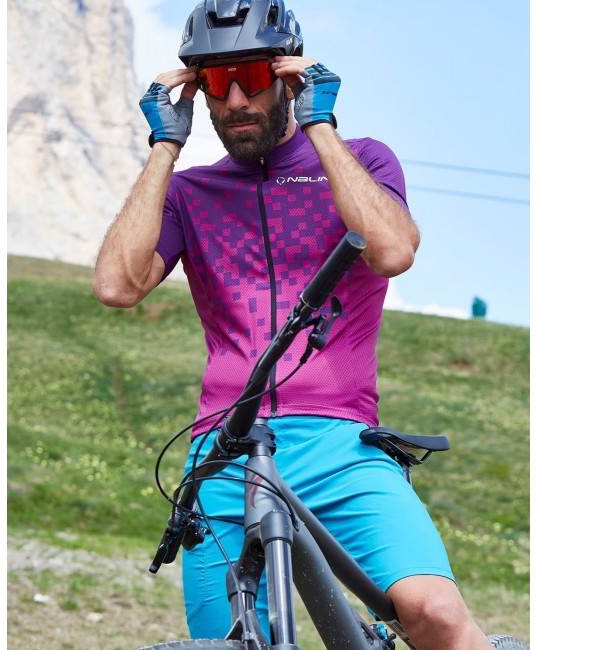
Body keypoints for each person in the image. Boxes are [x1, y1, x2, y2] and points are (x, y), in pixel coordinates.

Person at [93, 1, 493, 648]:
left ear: (287, 75)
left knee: (436, 614)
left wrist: (320, 125)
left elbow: (392, 251)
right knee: (234, 639)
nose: (235, 100)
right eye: (215, 82)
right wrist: (165, 145)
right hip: (223, 455)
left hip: (343, 449)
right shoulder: (191, 194)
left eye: (252, 76)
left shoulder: (363, 161)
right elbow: (118, 286)